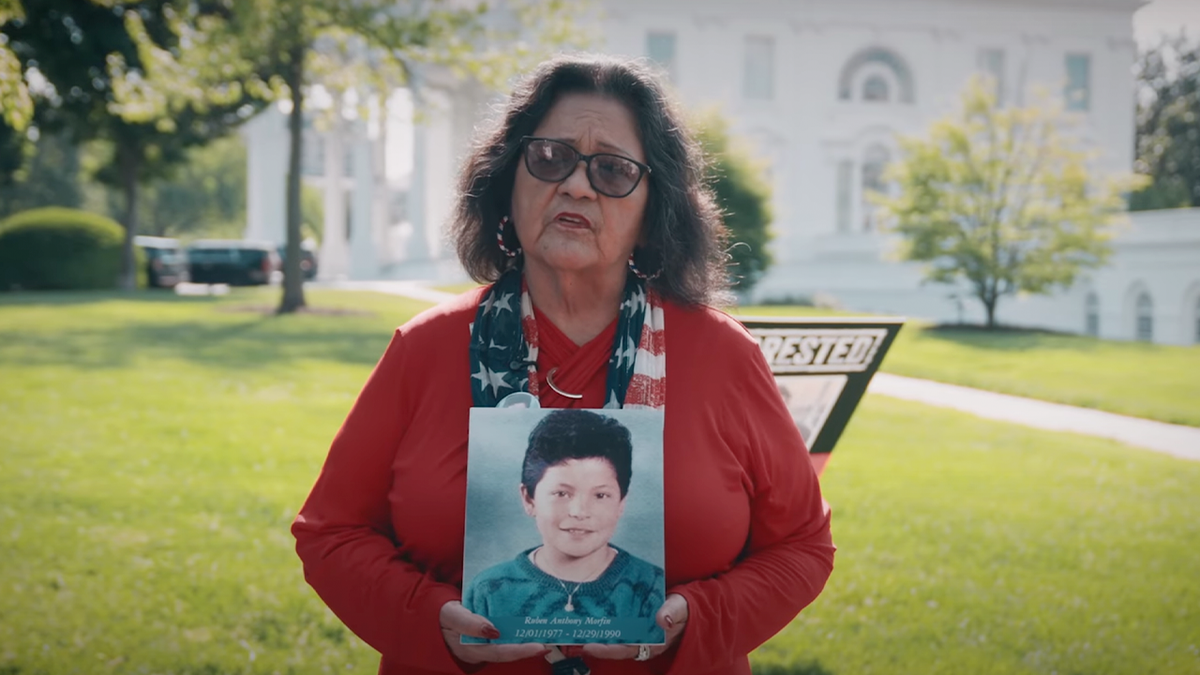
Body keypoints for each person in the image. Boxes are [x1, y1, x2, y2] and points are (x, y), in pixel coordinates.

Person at [292, 54, 835, 675]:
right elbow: (330, 533)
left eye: (612, 170)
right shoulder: (425, 348)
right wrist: (424, 615)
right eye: (550, 159)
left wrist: (699, 615)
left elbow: (802, 547)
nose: (576, 186)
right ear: (508, 180)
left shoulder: (724, 357)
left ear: (653, 207)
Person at [462, 409, 666, 644]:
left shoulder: (651, 588)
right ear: (529, 499)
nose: (579, 512)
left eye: (600, 495)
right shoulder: (488, 590)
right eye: (561, 493)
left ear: (621, 503)